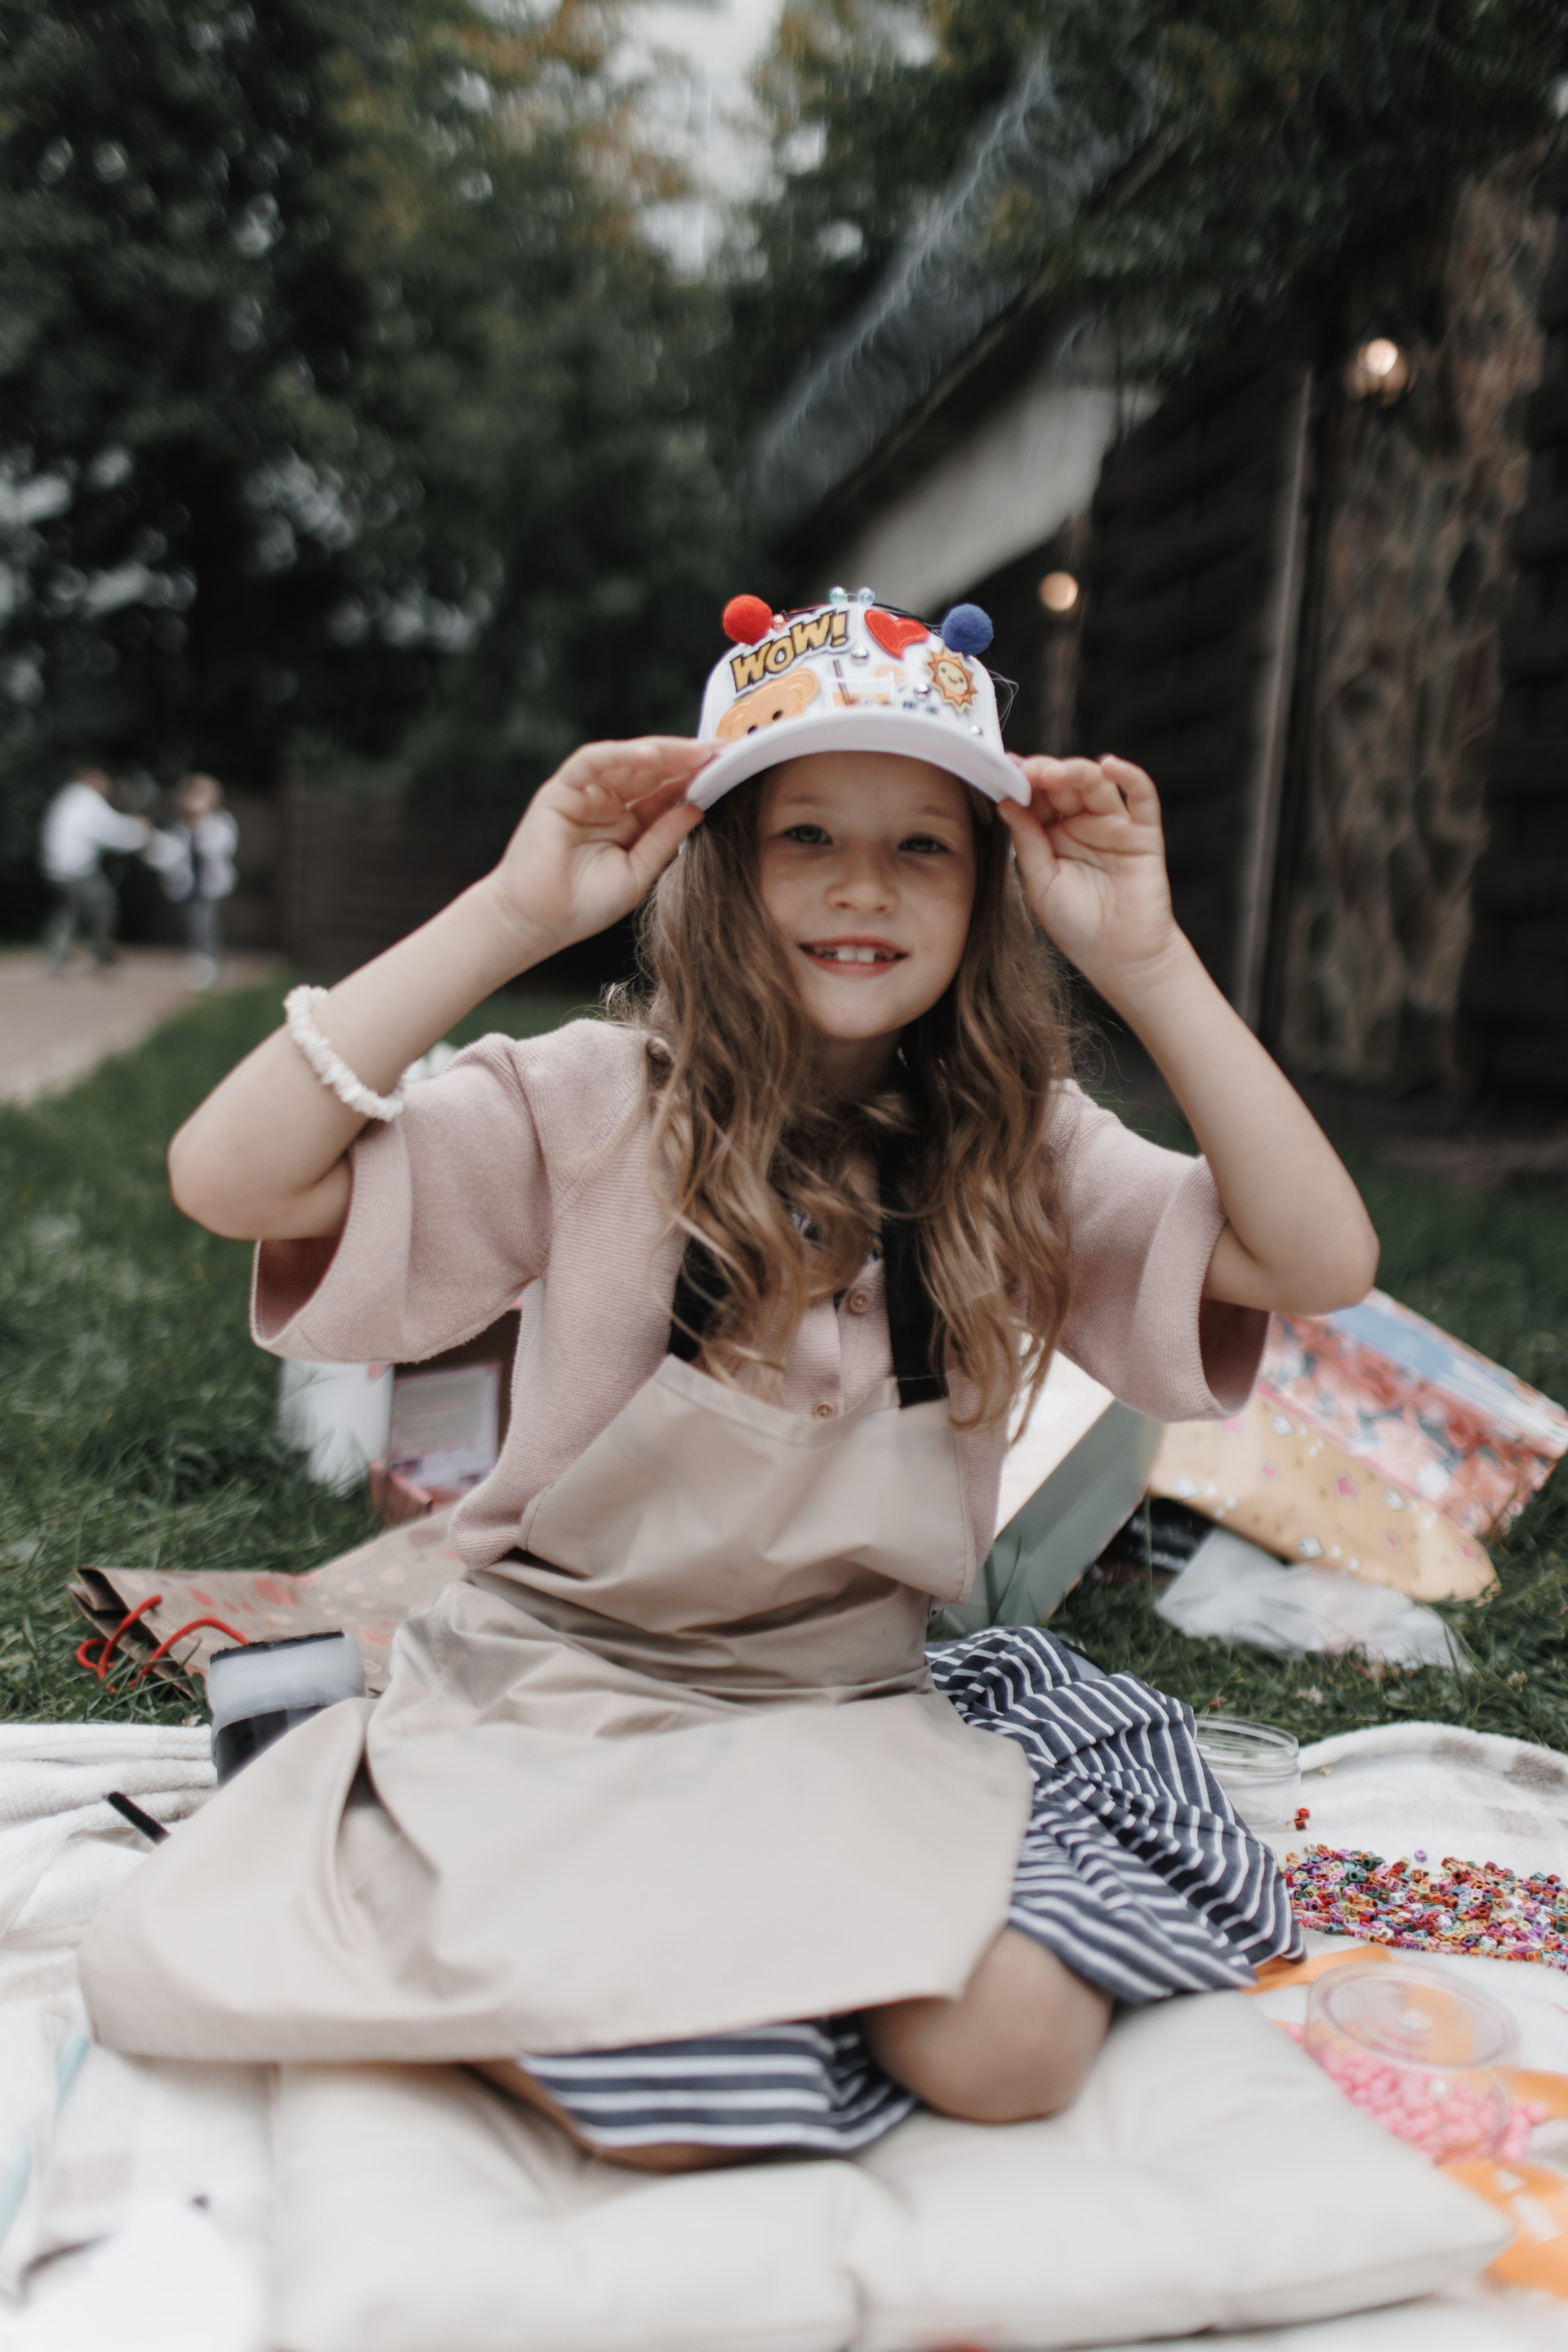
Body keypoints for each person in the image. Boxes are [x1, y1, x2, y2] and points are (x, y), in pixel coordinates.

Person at [80, 590, 1379, 2172]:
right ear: (719, 865)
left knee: (1012, 2049)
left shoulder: (1021, 1147)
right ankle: (496, 1892)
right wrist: (508, 913)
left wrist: (1151, 961)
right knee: (671, 2118)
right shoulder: (590, 1102)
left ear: (988, 892)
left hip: (848, 1707)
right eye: (805, 834)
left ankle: (671, 1960)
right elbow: (228, 1176)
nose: (862, 885)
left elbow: (1318, 1259)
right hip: (557, 1690)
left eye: (923, 847)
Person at [40, 766, 151, 970]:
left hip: (55, 867)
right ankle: (101, 951)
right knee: (104, 902)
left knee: (71, 907)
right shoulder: (87, 799)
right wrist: (139, 831)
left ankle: (55, 952)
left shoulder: (69, 795)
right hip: (74, 868)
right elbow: (108, 829)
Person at [146, 773, 239, 990]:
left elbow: (216, 848)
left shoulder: (219, 823)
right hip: (190, 885)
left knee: (207, 922)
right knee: (194, 922)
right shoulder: (180, 826)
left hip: (211, 884)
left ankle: (209, 962)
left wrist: (200, 822)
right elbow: (168, 853)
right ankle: (203, 959)